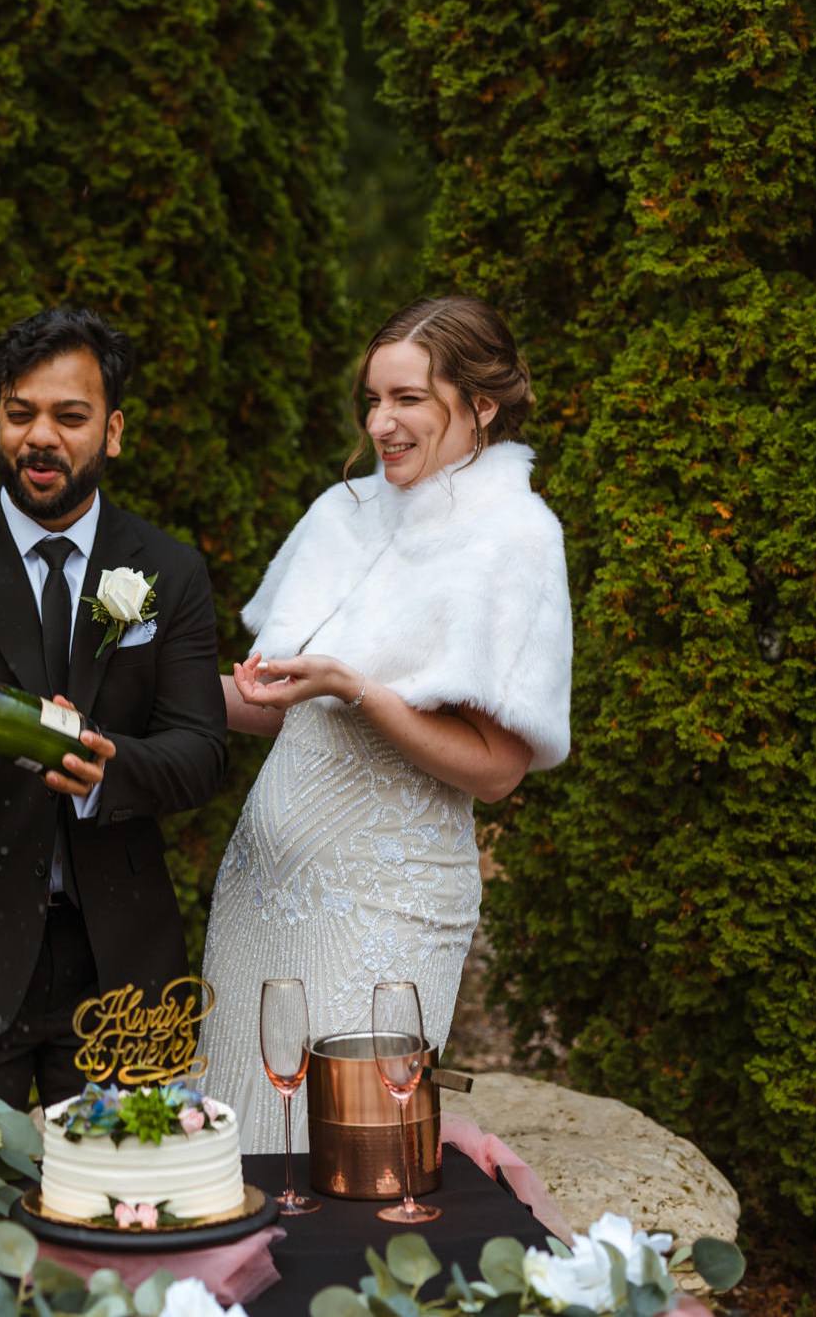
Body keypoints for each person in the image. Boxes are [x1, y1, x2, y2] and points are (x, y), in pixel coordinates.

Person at [197, 296, 573, 1152]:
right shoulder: (345, 514)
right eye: (372, 399)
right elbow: (275, 704)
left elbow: (495, 770)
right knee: (242, 1146)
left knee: (345, 1159)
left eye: (407, 398)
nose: (381, 422)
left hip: (386, 907)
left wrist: (354, 688)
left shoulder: (514, 538)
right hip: (259, 894)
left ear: (481, 405)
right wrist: (122, 688)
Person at [0, 306, 228, 1110]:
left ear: (114, 430)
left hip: (123, 966)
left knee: (129, 1207)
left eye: (70, 416)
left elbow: (203, 751)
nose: (40, 438)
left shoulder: (168, 570)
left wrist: (109, 768)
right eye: (20, 412)